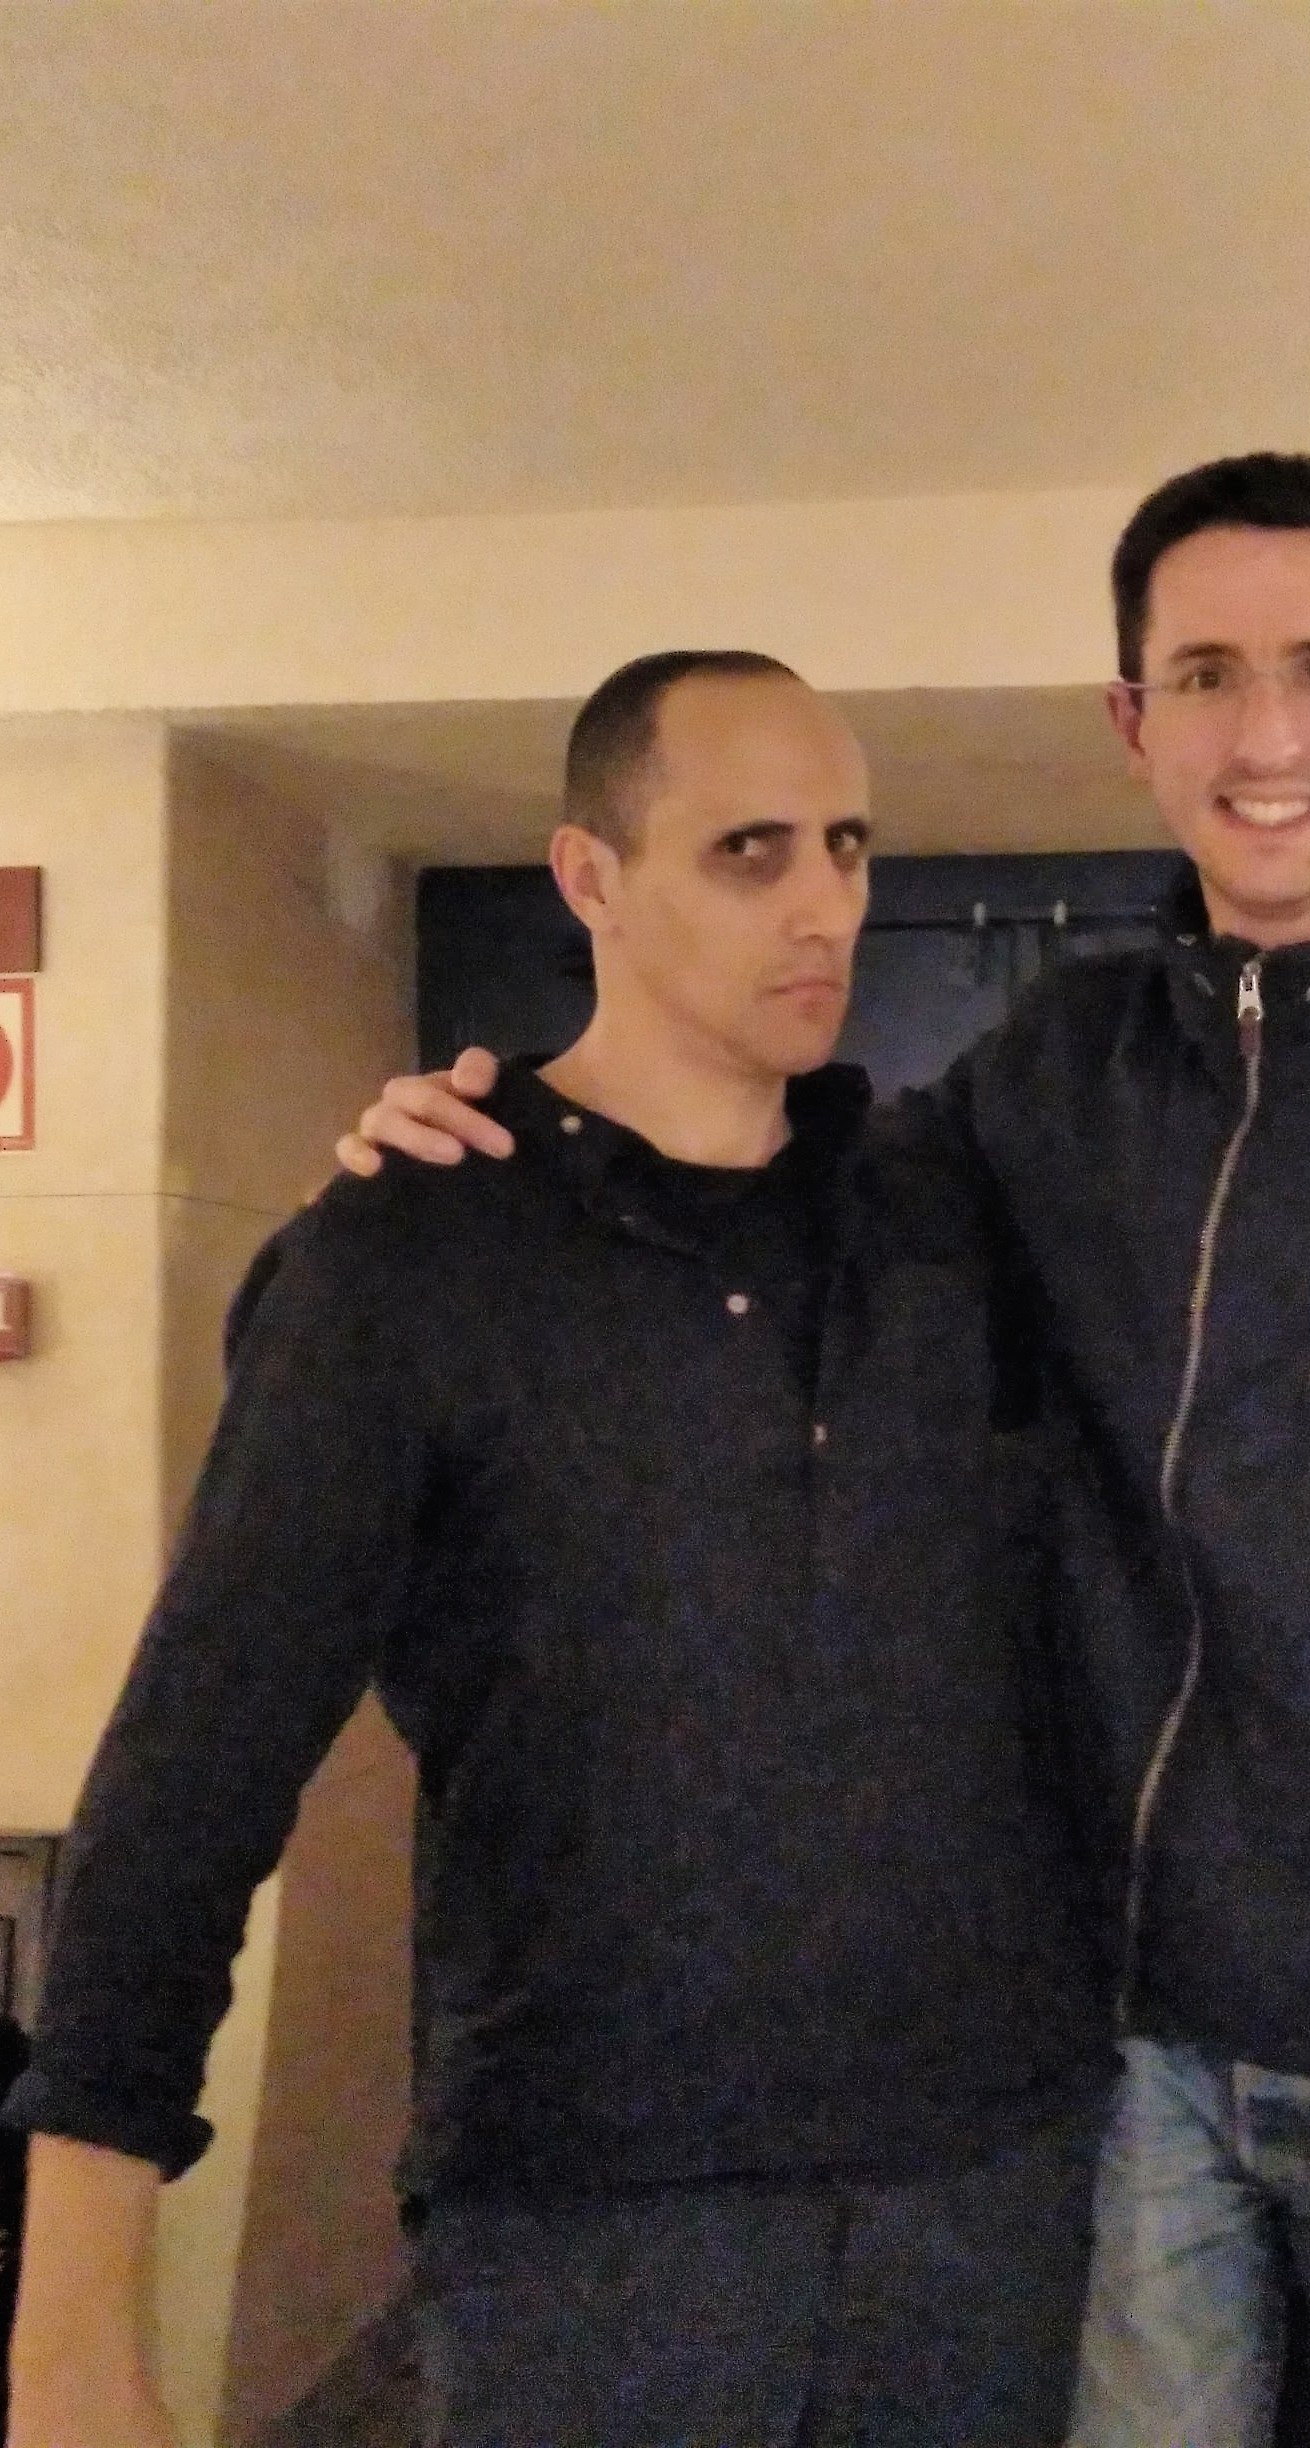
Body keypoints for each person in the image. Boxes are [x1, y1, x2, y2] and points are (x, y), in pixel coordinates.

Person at [350, 454, 1310, 2448]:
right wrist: (508, 1138)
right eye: (1205, 675)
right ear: (1133, 719)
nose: (1267, 735)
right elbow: (769, 1189)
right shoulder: (1056, 1071)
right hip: (1115, 2048)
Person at [1, 652, 1116, 2448]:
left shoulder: (953, 1212)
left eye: (846, 844)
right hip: (596, 2221)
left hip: (980, 2193)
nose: (824, 902)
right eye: (749, 849)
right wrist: (68, 2324)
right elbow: (199, 1760)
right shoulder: (405, 1258)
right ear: (590, 876)